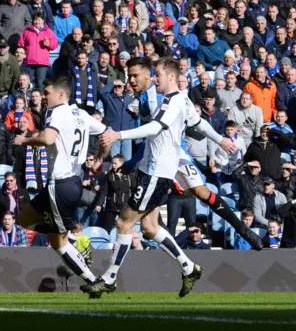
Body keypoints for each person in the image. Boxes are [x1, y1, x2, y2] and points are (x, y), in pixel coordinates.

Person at [89, 58, 239, 298]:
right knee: (149, 227)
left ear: (163, 76)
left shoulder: (169, 101)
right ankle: (189, 268)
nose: (151, 80)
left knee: (123, 223)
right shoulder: (169, 99)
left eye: (154, 75)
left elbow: (155, 129)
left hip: (158, 172)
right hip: (152, 170)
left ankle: (109, 278)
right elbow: (192, 124)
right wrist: (219, 139)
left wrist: (118, 135)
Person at [9, 77, 107, 290]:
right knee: (24, 219)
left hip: (60, 184)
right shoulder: (82, 115)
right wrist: (100, 158)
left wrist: (24, 140)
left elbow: (47, 139)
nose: (44, 97)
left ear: (61, 95)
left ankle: (85, 265)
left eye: (47, 92)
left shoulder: (56, 111)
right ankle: (68, 238)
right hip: (70, 182)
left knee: (59, 243)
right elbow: (107, 133)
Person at [17, 12, 58, 89]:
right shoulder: (26, 31)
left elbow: (55, 45)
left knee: (40, 83)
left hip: (42, 63)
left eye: (39, 20)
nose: (37, 22)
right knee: (29, 83)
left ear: (43, 21)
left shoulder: (48, 31)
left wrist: (48, 44)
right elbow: (21, 44)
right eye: (35, 20)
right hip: (29, 62)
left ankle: (40, 100)